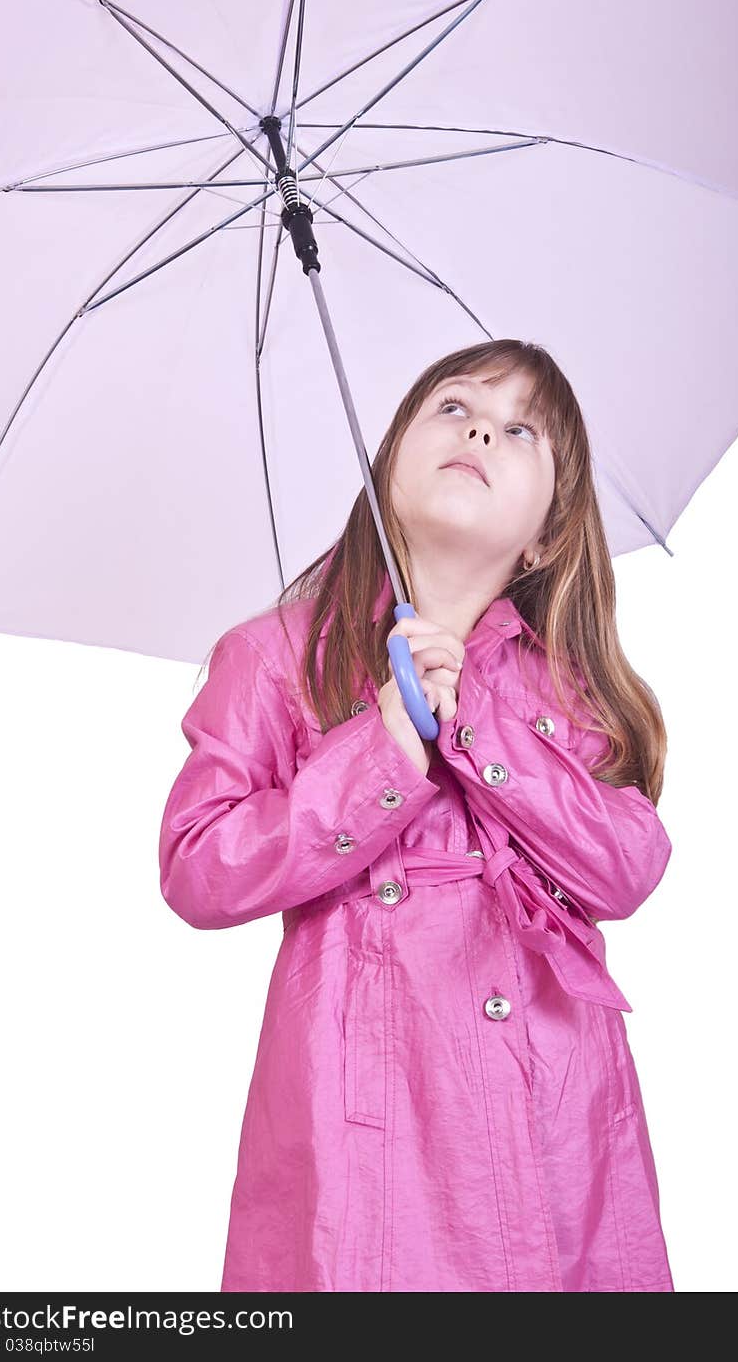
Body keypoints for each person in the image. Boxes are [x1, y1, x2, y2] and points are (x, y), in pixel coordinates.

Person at [158, 337, 675, 1292]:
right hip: (364, 1127)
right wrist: (383, 752)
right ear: (386, 458)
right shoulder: (274, 657)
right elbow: (198, 863)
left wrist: (478, 726)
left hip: (552, 1121)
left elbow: (627, 863)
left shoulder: (568, 682)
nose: (480, 425)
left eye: (520, 428)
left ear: (546, 534)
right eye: (454, 404)